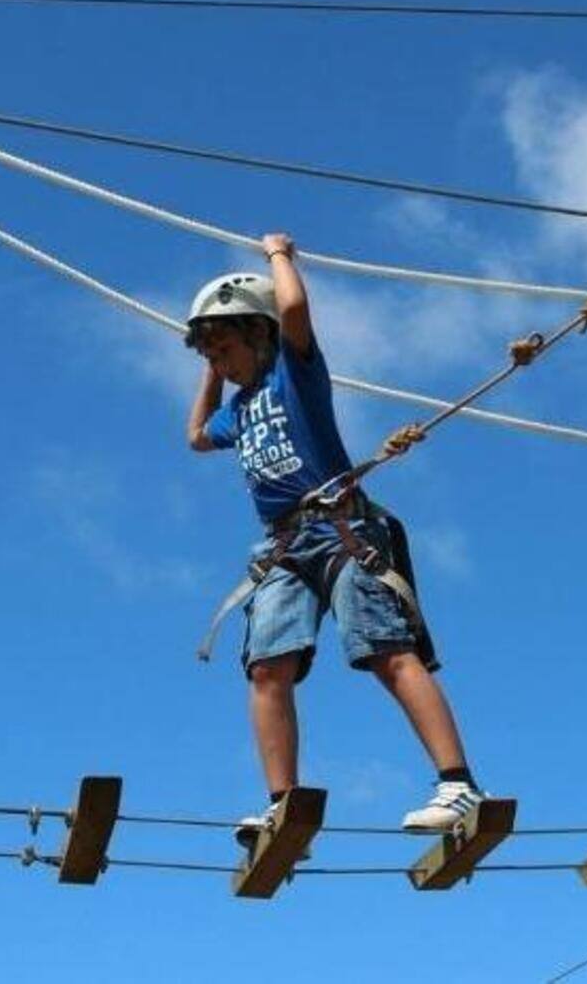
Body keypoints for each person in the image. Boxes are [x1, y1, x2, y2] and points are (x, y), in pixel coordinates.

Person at [185, 232, 489, 840]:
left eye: (226, 349)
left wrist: (278, 257)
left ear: (261, 335)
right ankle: (283, 802)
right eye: (211, 354)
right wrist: (210, 368)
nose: (220, 362)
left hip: (341, 528)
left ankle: (458, 785)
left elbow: (295, 312)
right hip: (283, 547)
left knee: (386, 650)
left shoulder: (294, 379)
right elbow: (195, 435)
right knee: (266, 668)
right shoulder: (237, 411)